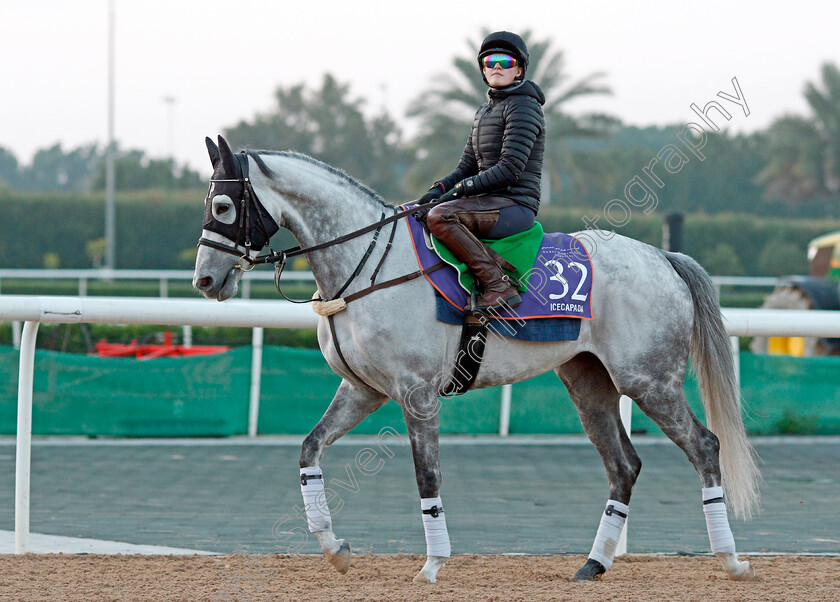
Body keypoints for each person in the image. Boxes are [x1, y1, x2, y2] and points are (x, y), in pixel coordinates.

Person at [417, 31, 546, 312]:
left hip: (514, 206)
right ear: (484, 69)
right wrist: (437, 190)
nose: (497, 66)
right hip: (486, 203)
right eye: (490, 61)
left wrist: (456, 193)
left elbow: (510, 170)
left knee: (441, 216)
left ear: (519, 69)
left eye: (505, 60)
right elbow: (466, 167)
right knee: (416, 211)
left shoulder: (525, 106)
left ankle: (497, 283)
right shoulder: (484, 111)